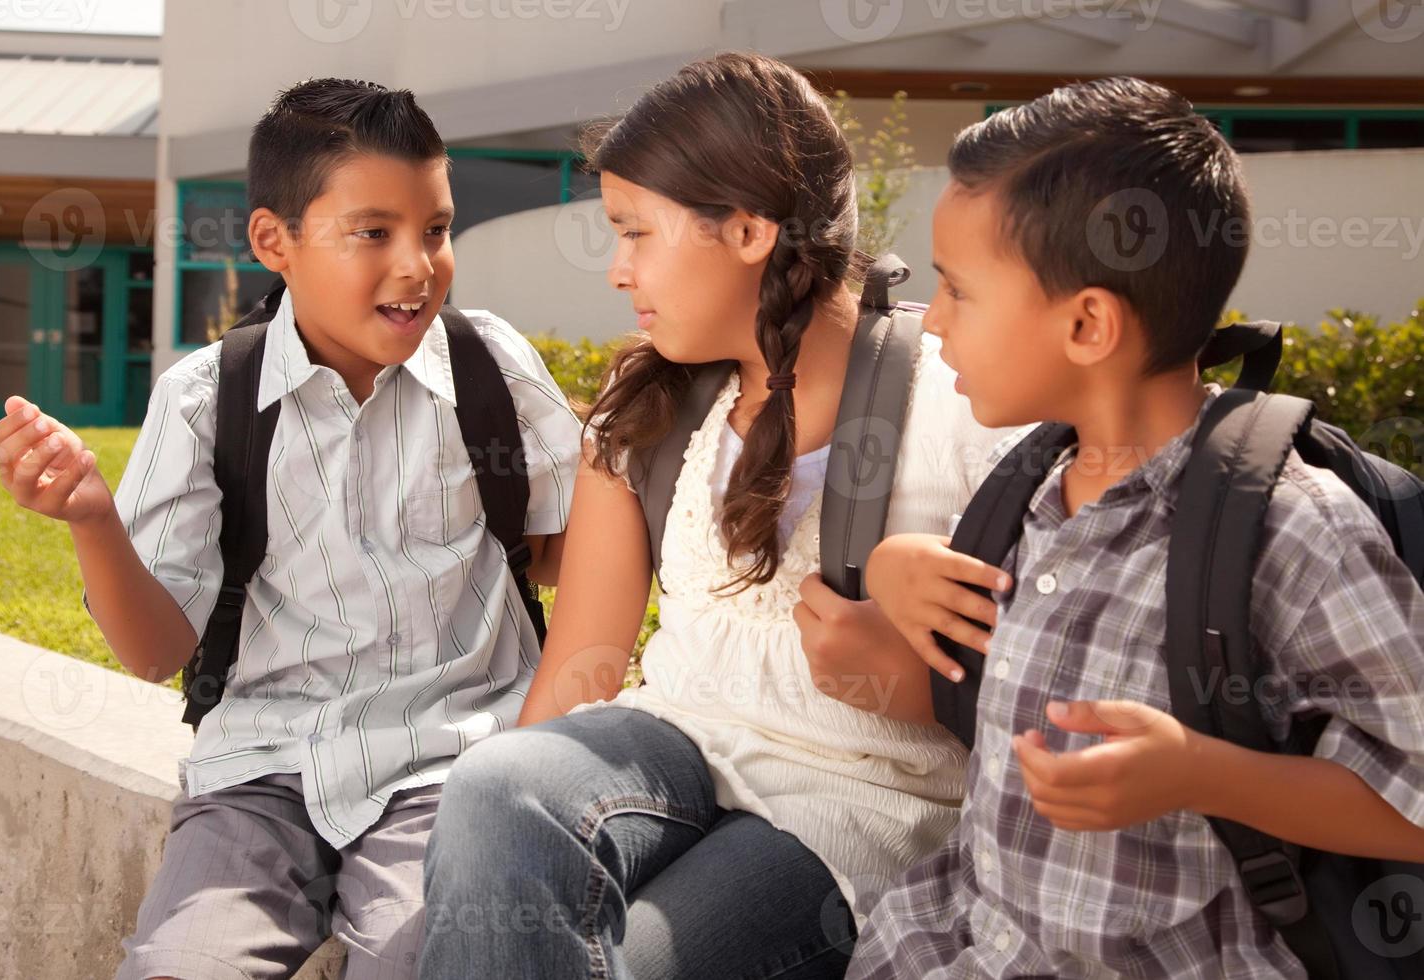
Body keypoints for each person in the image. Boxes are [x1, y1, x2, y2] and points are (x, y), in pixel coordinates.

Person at [415, 52, 1008, 980]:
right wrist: (474, 871)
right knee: (497, 788)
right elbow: (584, 670)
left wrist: (908, 670)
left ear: (746, 231)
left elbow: (1054, 673)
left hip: (856, 804)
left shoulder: (963, 403)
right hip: (675, 747)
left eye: (636, 233)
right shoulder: (649, 407)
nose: (618, 271)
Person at [0, 77, 581, 980]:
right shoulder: (203, 402)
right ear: (275, 241)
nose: (419, 265)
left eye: (436, 228)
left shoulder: (488, 364)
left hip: (451, 767)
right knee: (180, 967)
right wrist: (92, 517)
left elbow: (571, 562)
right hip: (261, 775)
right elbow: (155, 651)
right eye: (373, 233)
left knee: (435, 959)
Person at [852, 76, 1424, 978]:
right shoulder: (1029, 488)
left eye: (958, 291)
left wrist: (1201, 773)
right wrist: (891, 568)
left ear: (1087, 324)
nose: (935, 326)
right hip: (950, 944)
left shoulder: (1291, 532)